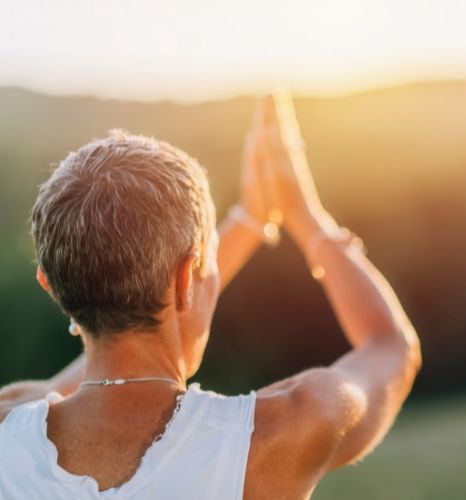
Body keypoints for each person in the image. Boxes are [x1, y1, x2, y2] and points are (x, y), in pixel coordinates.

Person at [0, 93, 421, 499]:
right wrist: (307, 216)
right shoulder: (280, 432)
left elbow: (93, 370)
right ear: (186, 279)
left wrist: (250, 221)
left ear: (52, 288)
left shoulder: (8, 425)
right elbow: (391, 347)